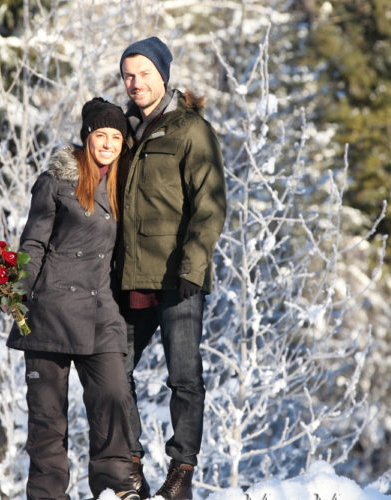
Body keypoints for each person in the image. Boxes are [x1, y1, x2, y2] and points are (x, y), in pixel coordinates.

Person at [7, 97, 140, 500]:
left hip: (102, 314)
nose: (109, 143)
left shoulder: (124, 184)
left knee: (114, 396)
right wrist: (17, 292)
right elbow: (34, 242)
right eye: (101, 135)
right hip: (49, 312)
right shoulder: (56, 182)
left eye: (116, 137)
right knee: (48, 420)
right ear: (87, 138)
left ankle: (114, 489)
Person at [115, 37, 227, 500]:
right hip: (129, 276)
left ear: (162, 74)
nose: (135, 82)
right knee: (112, 373)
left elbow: (211, 204)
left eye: (143, 73)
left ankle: (181, 470)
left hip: (179, 278)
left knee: (184, 377)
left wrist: (193, 266)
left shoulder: (190, 130)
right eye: (128, 75)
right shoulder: (121, 131)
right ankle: (131, 464)